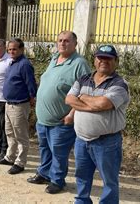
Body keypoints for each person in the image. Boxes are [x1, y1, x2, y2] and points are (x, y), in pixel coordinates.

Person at [28, 31, 91, 194]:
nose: (63, 43)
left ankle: (57, 180)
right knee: (45, 149)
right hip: (43, 119)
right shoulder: (55, 58)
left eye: (67, 41)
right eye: (60, 40)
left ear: (75, 44)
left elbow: (85, 93)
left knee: (59, 152)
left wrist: (72, 114)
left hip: (61, 121)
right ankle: (44, 173)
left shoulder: (79, 63)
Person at [66, 45, 130, 203]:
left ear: (115, 61)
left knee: (109, 180)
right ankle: (82, 201)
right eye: (100, 57)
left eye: (109, 58)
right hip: (81, 139)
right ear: (94, 60)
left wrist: (83, 97)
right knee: (81, 176)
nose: (104, 61)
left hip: (107, 142)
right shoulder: (83, 79)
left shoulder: (120, 84)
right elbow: (69, 99)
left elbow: (103, 104)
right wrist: (92, 104)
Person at [0, 38, 37, 175]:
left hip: (19, 104)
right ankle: (10, 156)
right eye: (10, 49)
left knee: (21, 135)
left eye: (14, 49)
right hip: (9, 104)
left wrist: (32, 99)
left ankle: (20, 162)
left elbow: (31, 84)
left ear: (21, 49)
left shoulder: (24, 64)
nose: (12, 51)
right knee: (10, 133)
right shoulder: (12, 63)